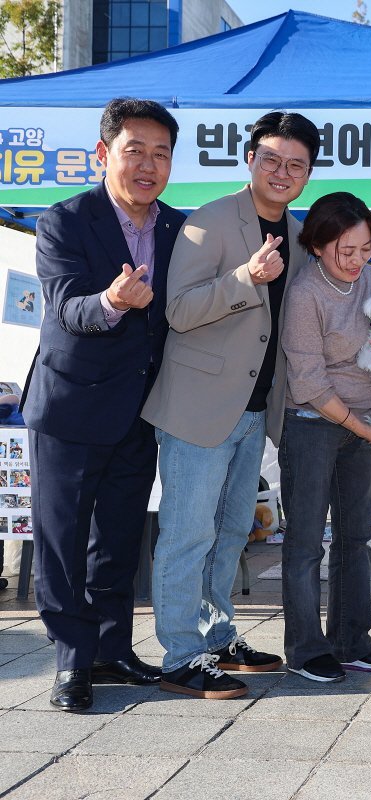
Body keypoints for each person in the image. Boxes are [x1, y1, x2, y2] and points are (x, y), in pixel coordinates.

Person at [141, 111, 321, 699]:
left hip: (253, 409)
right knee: (187, 533)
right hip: (198, 406)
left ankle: (219, 637)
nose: (282, 171)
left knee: (232, 531)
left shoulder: (300, 235)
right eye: (271, 158)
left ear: (308, 173)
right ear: (249, 158)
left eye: (296, 164)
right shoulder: (211, 221)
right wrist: (245, 277)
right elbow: (179, 311)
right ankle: (180, 655)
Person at [20, 98, 184, 712]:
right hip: (70, 408)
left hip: (139, 410)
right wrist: (112, 301)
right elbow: (66, 307)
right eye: (134, 150)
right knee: (62, 540)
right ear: (103, 154)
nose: (148, 164)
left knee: (118, 538)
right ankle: (71, 660)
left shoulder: (177, 227)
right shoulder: (64, 221)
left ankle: (113, 648)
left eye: (161, 153)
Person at [279, 192, 371, 683]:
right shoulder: (305, 292)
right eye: (344, 251)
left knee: (357, 537)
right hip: (312, 422)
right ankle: (307, 649)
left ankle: (353, 638)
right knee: (307, 540)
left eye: (365, 249)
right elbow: (308, 380)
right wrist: (361, 428)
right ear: (316, 246)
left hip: (362, 418)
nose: (356, 261)